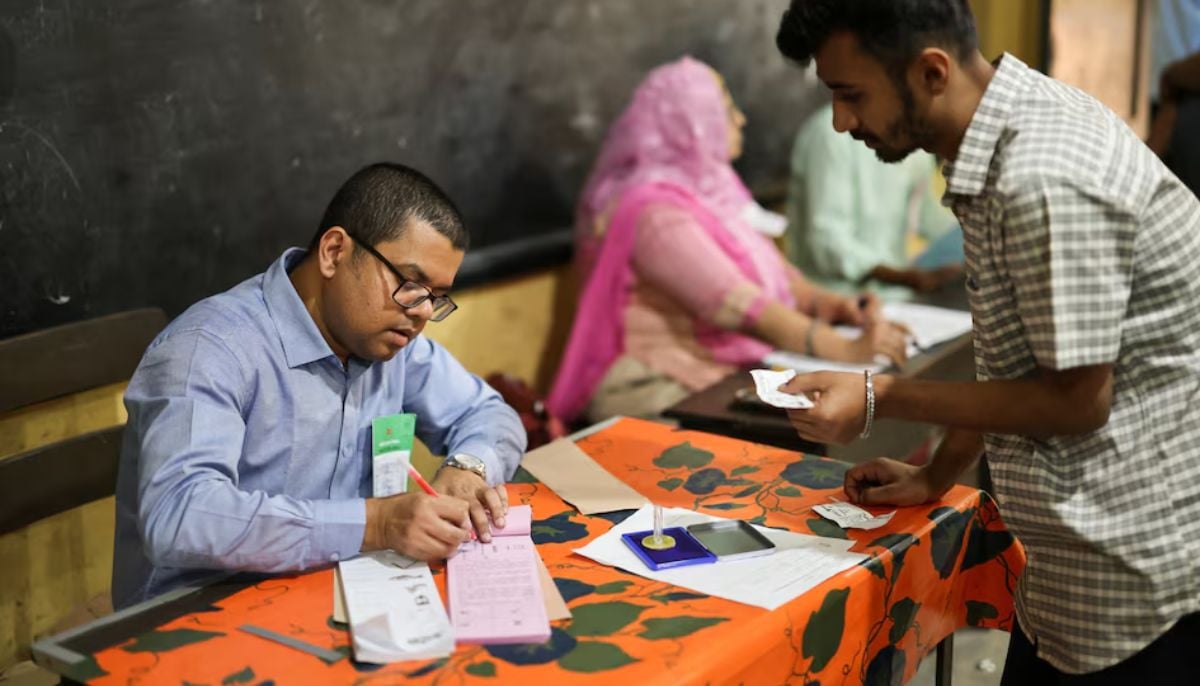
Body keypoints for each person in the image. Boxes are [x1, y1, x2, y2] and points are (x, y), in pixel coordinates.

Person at [774, 0, 1200, 682]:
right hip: (1069, 572)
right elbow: (1016, 354)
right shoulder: (1004, 132)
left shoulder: (1043, 178)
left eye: (851, 95)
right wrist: (937, 474)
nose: (841, 121)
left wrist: (880, 394)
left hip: (1132, 575)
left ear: (931, 71)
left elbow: (1075, 402)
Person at [112, 163, 526, 609]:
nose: (423, 312)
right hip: (199, 617)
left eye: (436, 296)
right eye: (411, 284)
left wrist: (469, 466)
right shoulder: (210, 350)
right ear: (333, 252)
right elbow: (179, 516)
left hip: (342, 591)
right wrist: (374, 524)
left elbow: (490, 414)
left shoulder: (392, 345)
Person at [546, 57, 910, 424]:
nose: (740, 119)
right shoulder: (653, 213)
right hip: (657, 389)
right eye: (725, 108)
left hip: (713, 376)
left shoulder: (716, 192)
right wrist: (846, 349)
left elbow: (779, 275)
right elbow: (741, 306)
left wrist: (828, 304)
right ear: (691, 123)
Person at [787, 102, 963, 297]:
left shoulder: (914, 142)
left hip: (897, 299)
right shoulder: (830, 135)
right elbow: (828, 241)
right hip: (834, 302)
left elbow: (926, 217)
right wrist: (904, 277)